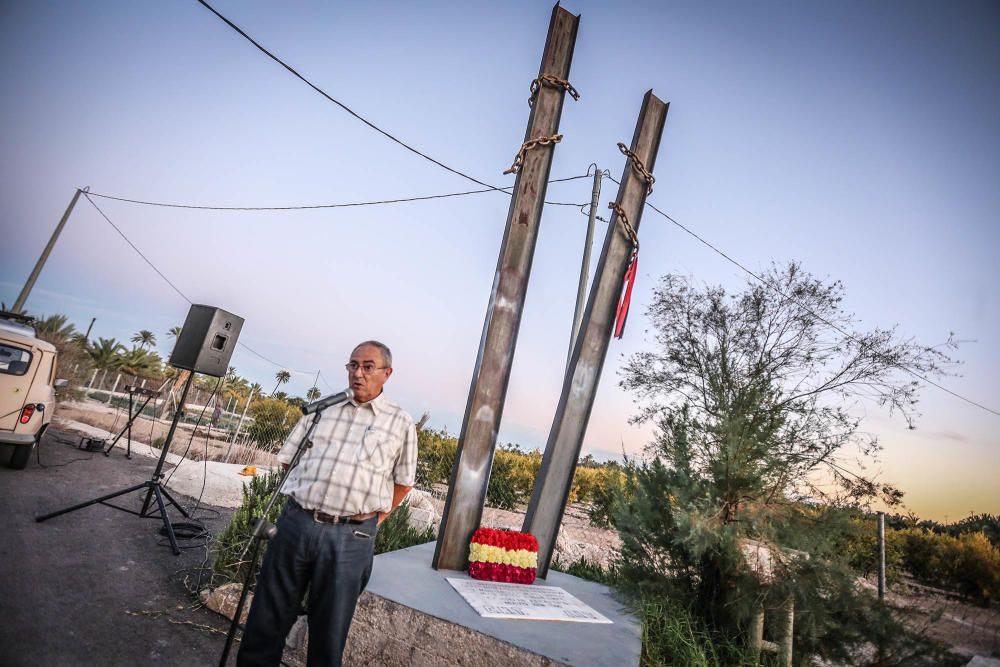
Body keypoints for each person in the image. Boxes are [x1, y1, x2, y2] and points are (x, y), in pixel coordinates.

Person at [237, 340, 418, 667]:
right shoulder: (322, 409)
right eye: (353, 365)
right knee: (267, 619)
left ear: (386, 374)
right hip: (295, 525)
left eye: (367, 367)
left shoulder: (399, 422)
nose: (358, 374)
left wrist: (372, 523)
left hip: (349, 539)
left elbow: (404, 483)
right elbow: (287, 460)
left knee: (328, 633)